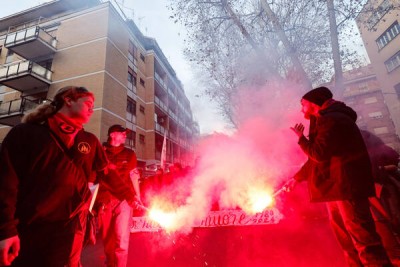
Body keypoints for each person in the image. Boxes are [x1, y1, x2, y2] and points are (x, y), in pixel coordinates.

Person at [0, 86, 109, 267]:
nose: (92, 109)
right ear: (68, 100)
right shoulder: (26, 133)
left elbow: (103, 177)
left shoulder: (90, 140)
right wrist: (5, 230)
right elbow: (6, 183)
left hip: (72, 230)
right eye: (88, 103)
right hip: (29, 230)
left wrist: (134, 199)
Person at [289, 86, 393, 266]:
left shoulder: (331, 120)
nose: (301, 110)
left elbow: (319, 153)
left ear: (313, 103)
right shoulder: (324, 120)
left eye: (303, 104)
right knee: (346, 239)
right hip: (336, 190)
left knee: (363, 239)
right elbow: (318, 160)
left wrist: (301, 138)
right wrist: (296, 178)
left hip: (346, 189)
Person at [95, 124, 142, 267]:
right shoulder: (100, 152)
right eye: (122, 133)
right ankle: (110, 263)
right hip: (105, 199)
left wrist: (138, 197)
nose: (125, 135)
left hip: (124, 201)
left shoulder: (129, 153)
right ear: (112, 135)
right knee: (107, 238)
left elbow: (133, 175)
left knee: (122, 239)